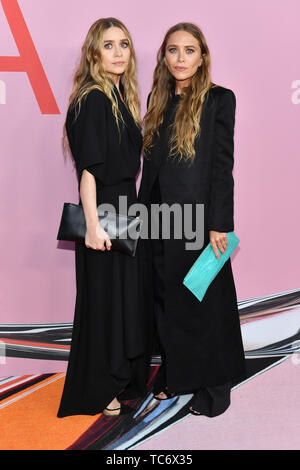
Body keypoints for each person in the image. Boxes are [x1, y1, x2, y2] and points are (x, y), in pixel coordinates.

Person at [138, 22, 246, 417]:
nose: (180, 58)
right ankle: (176, 374)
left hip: (199, 221)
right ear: (163, 57)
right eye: (172, 50)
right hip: (158, 218)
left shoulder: (220, 99)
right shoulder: (157, 97)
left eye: (189, 50)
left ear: (202, 58)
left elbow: (221, 166)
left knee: (204, 304)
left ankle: (215, 389)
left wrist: (220, 223)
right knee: (166, 304)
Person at [57, 18, 150, 418]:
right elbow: (89, 171)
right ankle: (99, 387)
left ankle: (119, 377)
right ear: (94, 53)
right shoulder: (93, 98)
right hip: (105, 212)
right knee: (104, 302)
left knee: (122, 300)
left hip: (125, 210)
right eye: (108, 45)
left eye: (124, 44)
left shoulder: (119, 96)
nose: (118, 52)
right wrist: (93, 226)